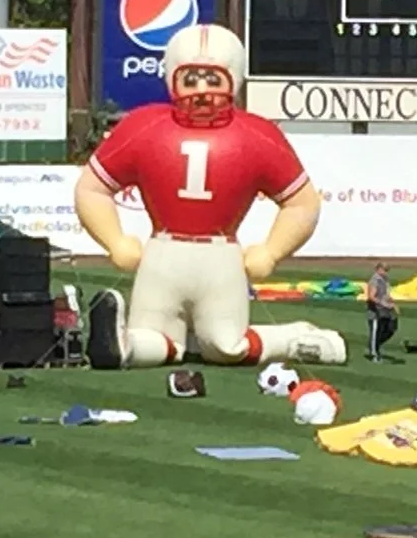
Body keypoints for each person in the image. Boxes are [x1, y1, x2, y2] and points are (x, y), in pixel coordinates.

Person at [74, 22, 346, 371]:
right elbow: (92, 188)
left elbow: (302, 202)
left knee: (224, 345)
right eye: (191, 79)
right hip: (164, 252)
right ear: (172, 78)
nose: (202, 91)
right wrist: (114, 240)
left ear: (233, 79)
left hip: (218, 256)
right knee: (154, 337)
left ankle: (297, 338)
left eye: (213, 79)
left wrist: (272, 251)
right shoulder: (144, 126)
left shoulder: (255, 134)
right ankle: (120, 345)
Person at [365, 262, 399, 362]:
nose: (385, 272)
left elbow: (386, 295)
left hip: (385, 310)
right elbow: (371, 296)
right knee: (376, 331)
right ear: (379, 269)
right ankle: (374, 354)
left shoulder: (385, 280)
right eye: (384, 270)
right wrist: (383, 304)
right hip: (375, 311)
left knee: (390, 329)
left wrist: (392, 304)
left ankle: (375, 345)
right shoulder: (375, 280)